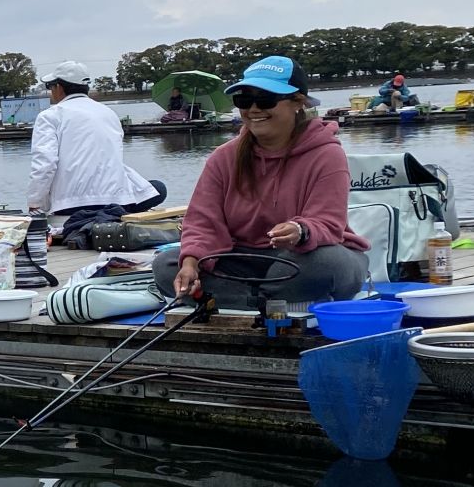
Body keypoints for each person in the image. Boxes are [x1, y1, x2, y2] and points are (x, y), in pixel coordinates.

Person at [155, 55, 367, 308]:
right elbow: (203, 223)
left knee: (327, 263)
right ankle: (269, 302)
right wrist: (190, 264)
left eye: (266, 99)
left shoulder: (327, 154)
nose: (254, 109)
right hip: (245, 258)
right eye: (244, 100)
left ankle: (231, 300)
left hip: (305, 255)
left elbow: (327, 222)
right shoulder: (223, 157)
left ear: (297, 102)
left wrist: (300, 232)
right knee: (167, 265)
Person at [25, 61, 166, 245]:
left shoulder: (50, 116)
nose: (51, 91)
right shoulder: (108, 113)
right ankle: (105, 216)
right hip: (115, 201)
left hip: (69, 205)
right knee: (158, 188)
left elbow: (45, 164)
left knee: (155, 188)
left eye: (50, 87)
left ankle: (88, 219)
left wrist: (36, 204)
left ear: (59, 87)